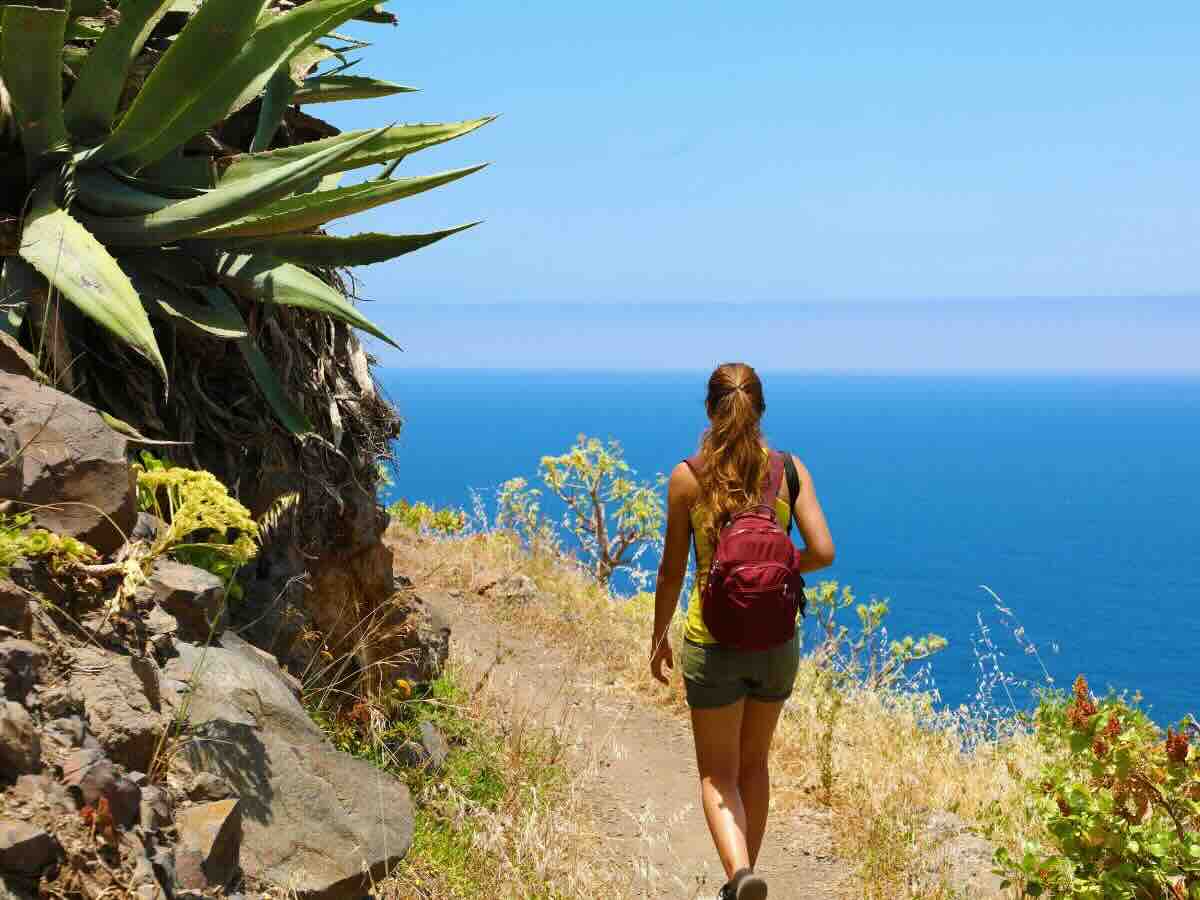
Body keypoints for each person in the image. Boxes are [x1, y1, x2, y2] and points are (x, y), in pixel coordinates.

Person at [650, 362, 835, 900]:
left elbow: (671, 570)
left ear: (710, 410)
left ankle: (738, 876)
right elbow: (823, 552)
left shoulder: (689, 477)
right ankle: (745, 875)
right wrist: (774, 566)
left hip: (714, 643)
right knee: (754, 765)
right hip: (777, 641)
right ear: (761, 410)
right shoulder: (788, 470)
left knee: (717, 775)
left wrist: (659, 635)